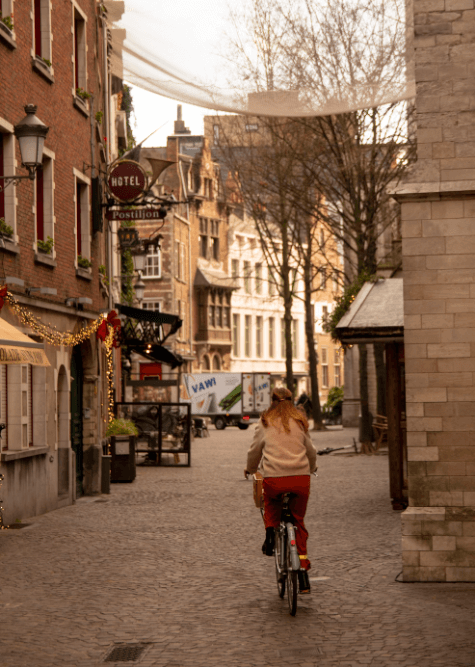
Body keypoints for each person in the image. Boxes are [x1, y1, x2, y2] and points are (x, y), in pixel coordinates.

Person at [244, 386, 317, 594]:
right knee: (298, 522)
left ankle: (269, 535)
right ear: (292, 401)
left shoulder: (265, 421)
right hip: (300, 479)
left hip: (274, 479)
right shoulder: (301, 421)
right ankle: (303, 574)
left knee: (271, 504)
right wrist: (312, 467)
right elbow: (310, 451)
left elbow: (255, 450)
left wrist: (250, 469)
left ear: (272, 401)